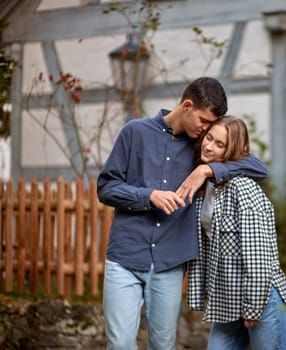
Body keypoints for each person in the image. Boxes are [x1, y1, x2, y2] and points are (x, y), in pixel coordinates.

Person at [97, 77, 268, 350]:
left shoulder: (202, 147)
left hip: (170, 262)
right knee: (119, 345)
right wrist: (148, 196)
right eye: (203, 121)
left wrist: (206, 170)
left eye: (210, 127)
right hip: (125, 256)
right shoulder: (134, 132)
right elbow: (106, 188)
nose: (205, 131)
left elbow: (258, 168)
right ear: (187, 105)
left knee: (163, 346)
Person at [187, 116, 286, 350]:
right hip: (228, 300)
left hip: (260, 299)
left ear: (232, 150)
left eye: (219, 144)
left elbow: (259, 254)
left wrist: (254, 305)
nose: (209, 145)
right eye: (209, 137)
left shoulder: (242, 187)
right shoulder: (208, 186)